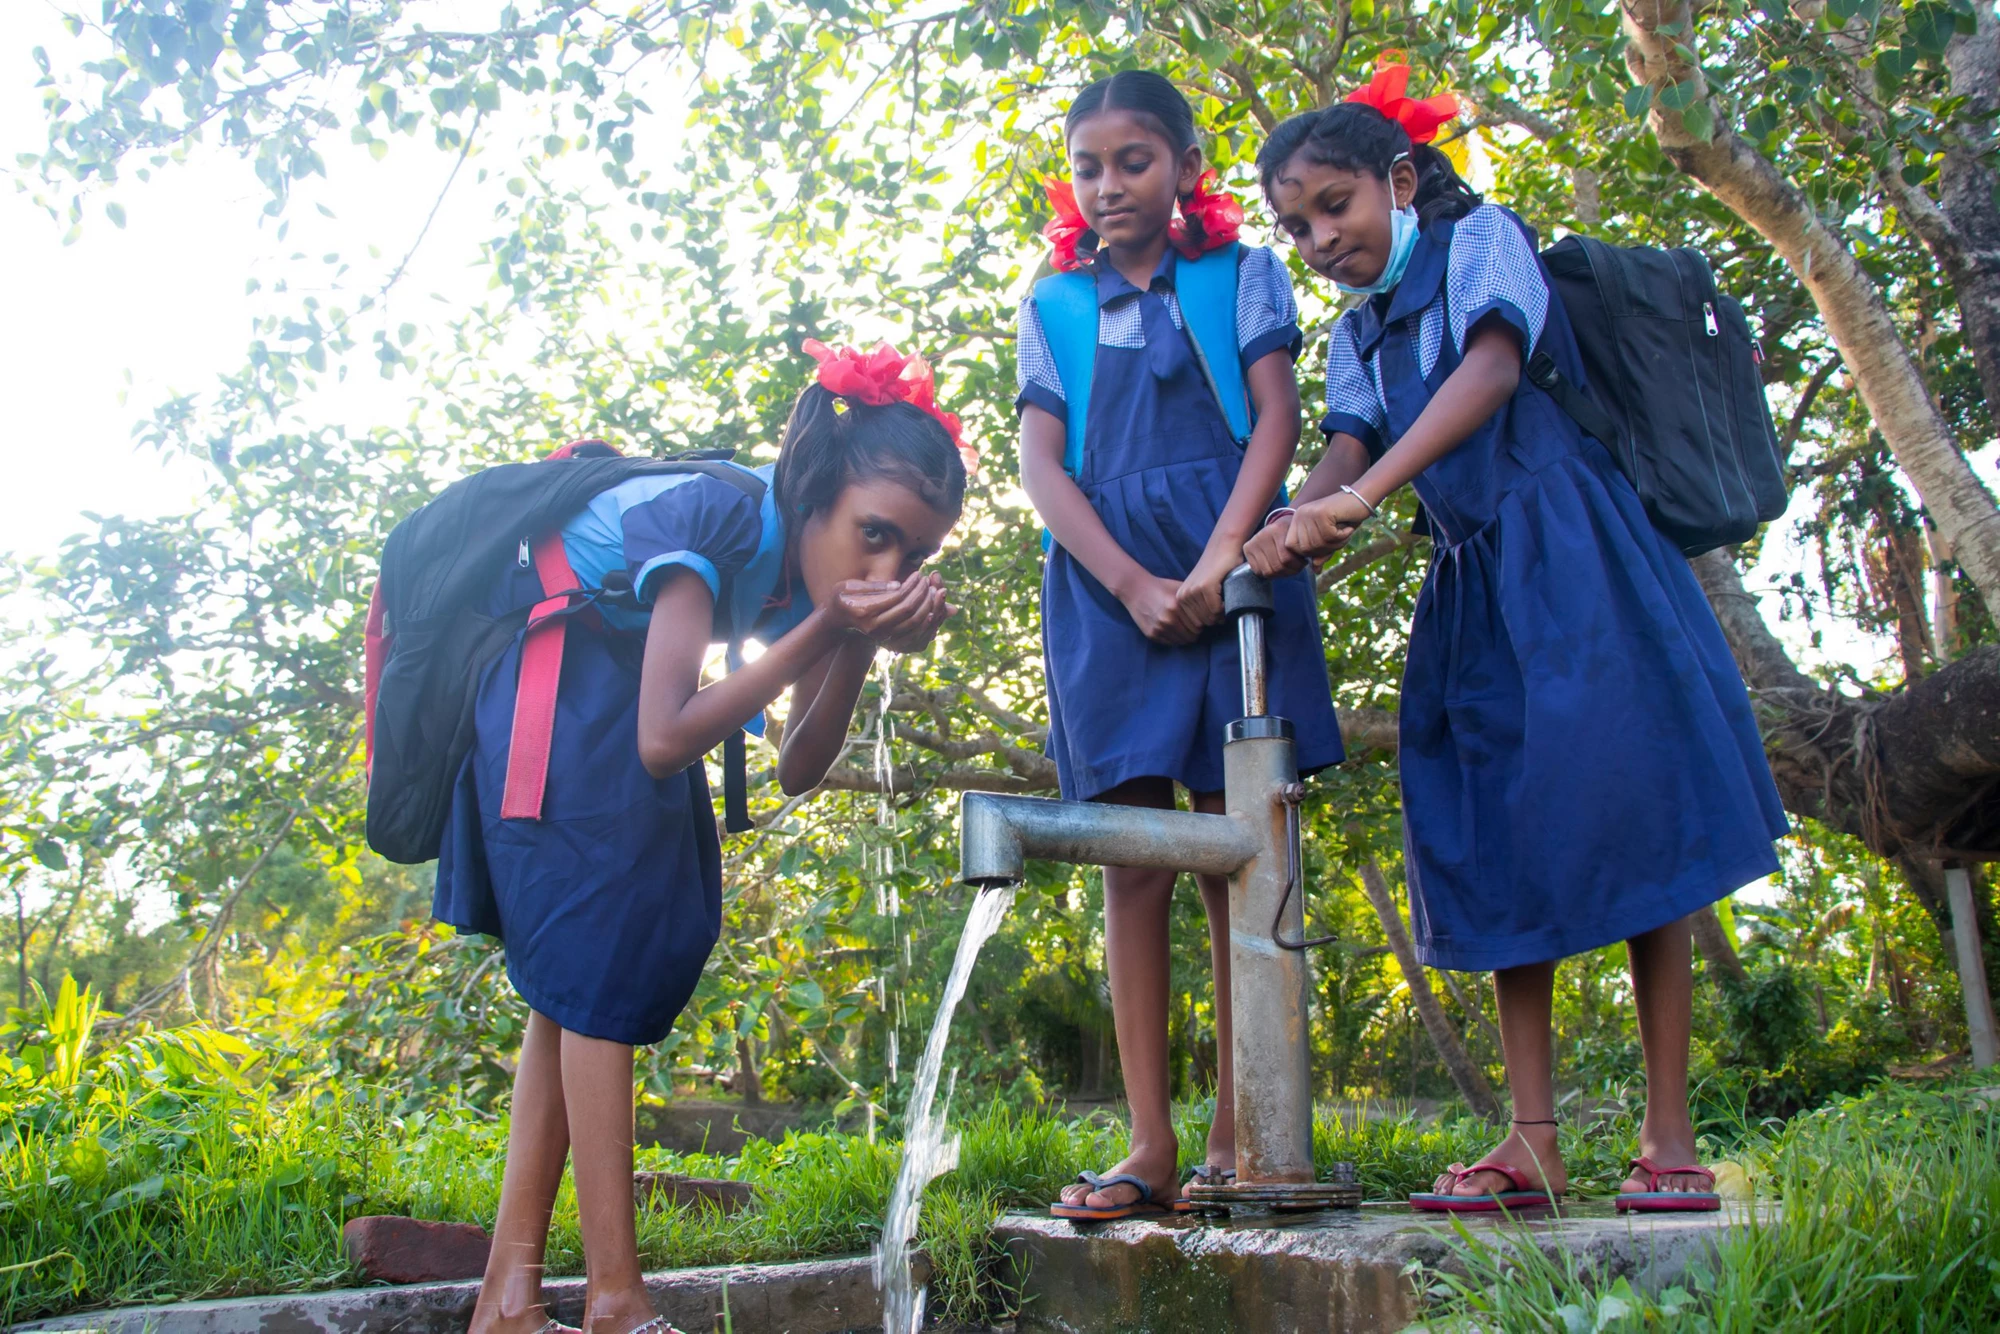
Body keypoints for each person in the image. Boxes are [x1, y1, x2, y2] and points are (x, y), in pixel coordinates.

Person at [1244, 65, 1787, 1213]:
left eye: (1333, 204)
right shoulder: (1354, 334)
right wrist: (1298, 510)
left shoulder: (1483, 241)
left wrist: (1365, 492)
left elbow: (1489, 370)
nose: (1318, 237)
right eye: (1295, 224)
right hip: (1470, 584)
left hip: (1577, 559)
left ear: (1396, 179)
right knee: (1484, 834)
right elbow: (1348, 443)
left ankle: (1666, 1130)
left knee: (1638, 811)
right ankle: (1528, 1140)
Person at [435, 341, 971, 1334]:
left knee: (574, 993)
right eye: (874, 534)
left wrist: (850, 633)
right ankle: (614, 1299)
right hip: (561, 698)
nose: (886, 567)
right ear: (817, 488)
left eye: (913, 556)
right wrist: (830, 628)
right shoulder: (719, 512)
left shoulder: (804, 579)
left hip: (608, 702)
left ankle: (507, 1300)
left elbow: (799, 764)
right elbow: (663, 736)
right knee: (593, 985)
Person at [1015, 69, 1345, 1222]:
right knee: (1135, 859)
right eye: (1089, 165)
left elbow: (1274, 419)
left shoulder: (1239, 272)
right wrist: (1132, 580)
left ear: (1184, 170)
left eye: (1134, 161)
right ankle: (1147, 1139)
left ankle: (1239, 1127)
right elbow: (1040, 468)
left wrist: (1215, 564)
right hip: (1109, 595)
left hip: (1234, 573)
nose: (1108, 185)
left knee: (1237, 845)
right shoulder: (1051, 300)